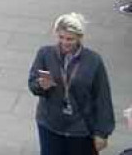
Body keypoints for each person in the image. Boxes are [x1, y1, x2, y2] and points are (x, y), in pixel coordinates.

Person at [28, 13, 114, 155]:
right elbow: (33, 83)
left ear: (80, 38)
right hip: (50, 124)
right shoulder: (45, 54)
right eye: (61, 37)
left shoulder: (93, 61)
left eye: (70, 39)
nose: (64, 43)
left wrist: (102, 133)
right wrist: (40, 85)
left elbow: (102, 97)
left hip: (80, 128)